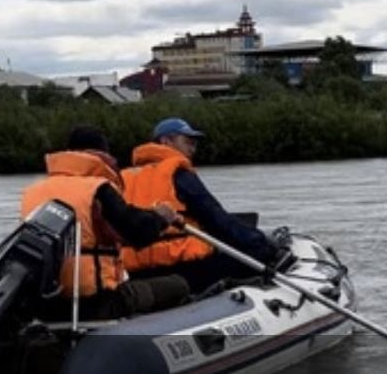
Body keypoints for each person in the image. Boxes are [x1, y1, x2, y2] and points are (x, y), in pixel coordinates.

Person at [19, 125, 190, 320]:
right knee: (178, 285)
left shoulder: (33, 192)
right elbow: (137, 231)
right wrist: (161, 217)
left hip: (48, 304)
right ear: (103, 154)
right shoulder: (98, 189)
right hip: (96, 302)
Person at [120, 117, 285, 294]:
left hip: (133, 272)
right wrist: (262, 244)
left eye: (195, 144)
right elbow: (216, 219)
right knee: (257, 254)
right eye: (187, 142)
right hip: (182, 268)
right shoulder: (177, 174)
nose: (192, 149)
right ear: (165, 141)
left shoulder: (122, 177)